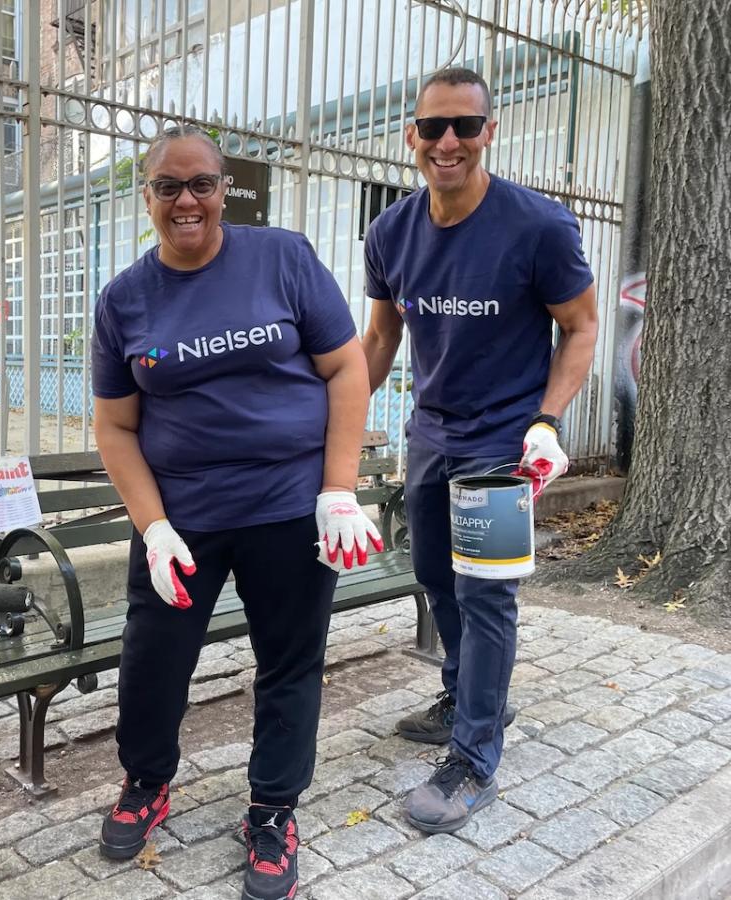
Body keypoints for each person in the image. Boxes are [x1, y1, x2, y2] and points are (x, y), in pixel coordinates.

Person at [91, 124, 382, 900]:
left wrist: (339, 488)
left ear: (225, 190)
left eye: (201, 185)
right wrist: (151, 527)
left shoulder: (282, 258)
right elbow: (116, 426)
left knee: (290, 663)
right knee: (152, 660)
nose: (186, 201)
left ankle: (273, 811)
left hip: (290, 510)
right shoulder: (124, 300)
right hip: (181, 522)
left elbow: (346, 368)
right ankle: (148, 781)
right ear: (146, 194)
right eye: (167, 187)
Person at [361, 68, 599, 834]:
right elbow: (380, 337)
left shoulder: (539, 227)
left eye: (466, 126)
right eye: (434, 128)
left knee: (484, 593)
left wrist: (548, 420)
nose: (449, 142)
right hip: (430, 434)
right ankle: (469, 693)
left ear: (489, 131)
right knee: (433, 575)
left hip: (502, 441)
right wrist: (327, 428)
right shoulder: (391, 232)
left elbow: (583, 326)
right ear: (413, 136)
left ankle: (475, 755)